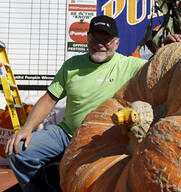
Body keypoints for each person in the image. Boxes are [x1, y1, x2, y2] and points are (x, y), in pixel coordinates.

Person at [5, 15, 147, 192]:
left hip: (102, 139)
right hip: (66, 133)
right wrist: (27, 128)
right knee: (18, 150)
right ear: (88, 39)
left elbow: (163, 65)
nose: (100, 43)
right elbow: (49, 99)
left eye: (106, 40)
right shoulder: (72, 65)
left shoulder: (130, 65)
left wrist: (170, 44)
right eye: (95, 38)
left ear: (116, 43)